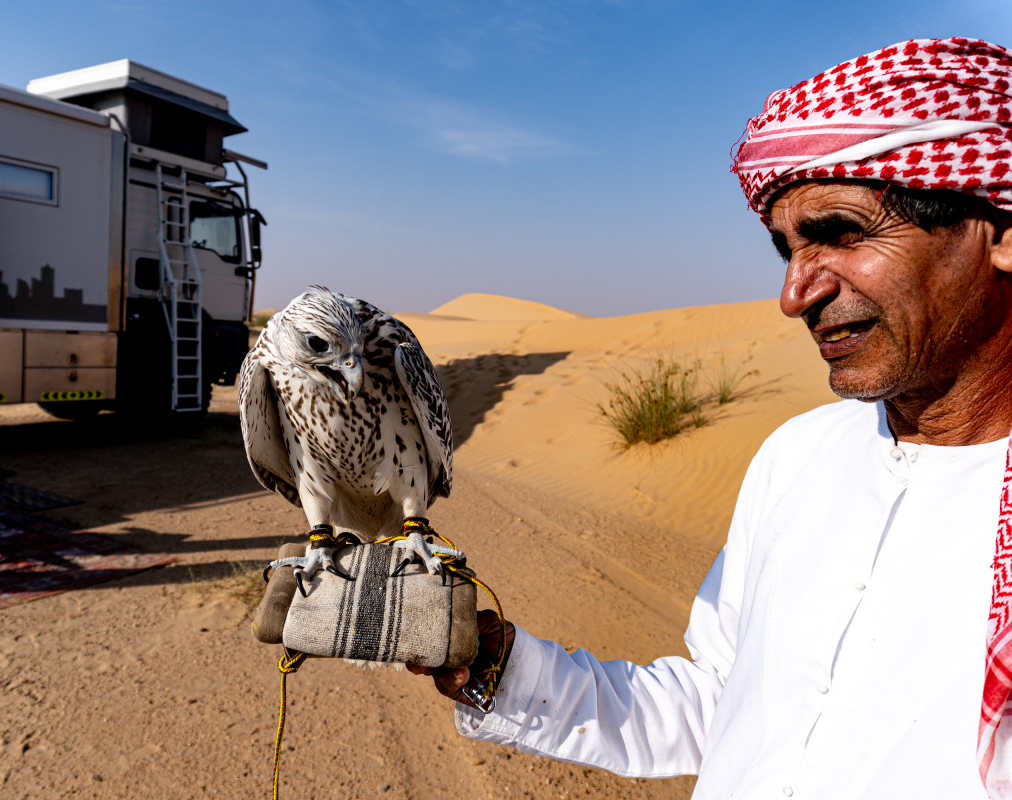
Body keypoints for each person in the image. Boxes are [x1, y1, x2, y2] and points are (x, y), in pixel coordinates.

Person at [409, 38, 1012, 800]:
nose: (794, 294)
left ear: (998, 232)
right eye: (786, 249)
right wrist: (487, 664)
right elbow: (719, 701)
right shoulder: (797, 456)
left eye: (841, 233)